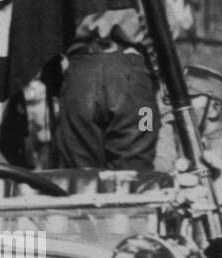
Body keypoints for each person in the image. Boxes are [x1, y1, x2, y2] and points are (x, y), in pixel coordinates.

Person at [52, 9, 156, 172]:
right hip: (133, 76)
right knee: (136, 173)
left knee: (81, 179)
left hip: (80, 73)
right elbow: (168, 25)